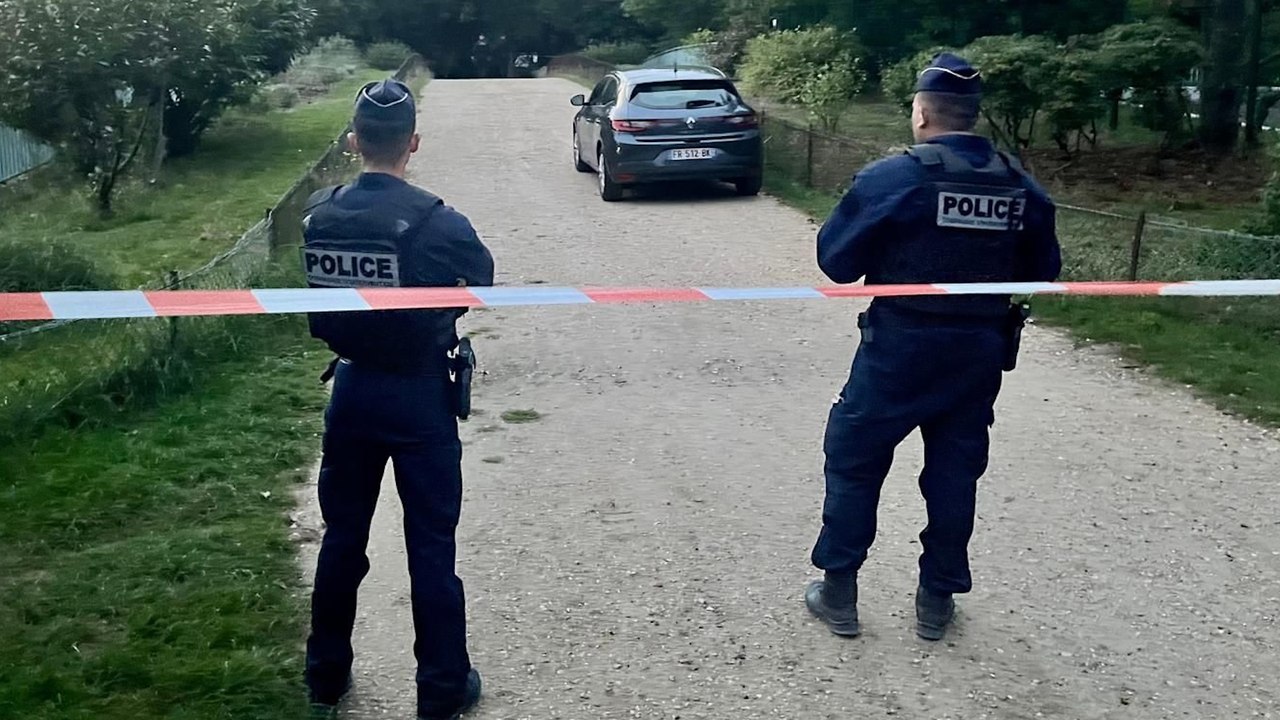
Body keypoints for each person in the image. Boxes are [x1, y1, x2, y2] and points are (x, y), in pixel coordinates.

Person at [804, 53, 1062, 642]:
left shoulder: (896, 177)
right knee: (954, 472)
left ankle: (839, 589)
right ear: (973, 116)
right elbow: (1044, 268)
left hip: (901, 346)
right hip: (978, 350)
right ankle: (937, 600)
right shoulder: (1016, 181)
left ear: (922, 112)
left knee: (854, 458)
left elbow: (837, 263)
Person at [300, 78, 495, 719]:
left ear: (354, 140)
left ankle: (325, 675)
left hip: (351, 391)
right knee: (432, 548)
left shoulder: (319, 214)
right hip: (417, 396)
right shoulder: (441, 221)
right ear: (413, 142)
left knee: (342, 538)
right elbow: (482, 282)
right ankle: (441, 691)